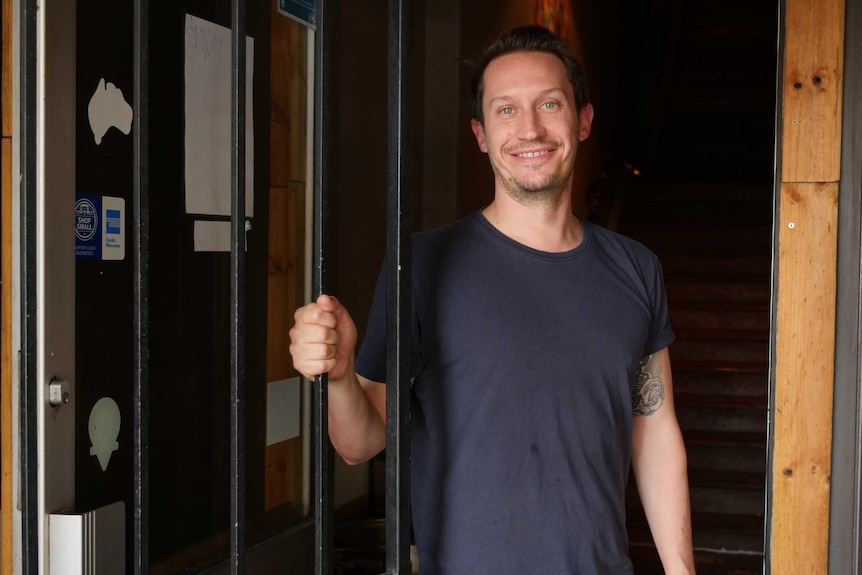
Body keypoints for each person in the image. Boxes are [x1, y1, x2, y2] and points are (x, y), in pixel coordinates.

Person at [290, 25, 695, 575]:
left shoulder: (636, 268)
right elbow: (360, 444)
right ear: (480, 134)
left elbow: (654, 431)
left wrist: (680, 569)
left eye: (549, 103)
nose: (530, 128)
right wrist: (339, 378)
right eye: (506, 110)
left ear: (583, 120)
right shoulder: (423, 265)